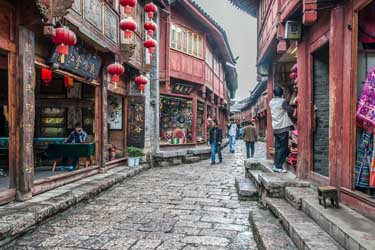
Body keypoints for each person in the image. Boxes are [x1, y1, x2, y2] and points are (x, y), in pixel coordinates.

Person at [269, 86, 294, 173]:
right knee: (283, 148)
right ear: (282, 93)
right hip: (283, 128)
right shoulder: (283, 102)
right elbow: (291, 110)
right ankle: (278, 166)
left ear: (274, 94)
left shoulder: (271, 102)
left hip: (275, 128)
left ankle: (276, 165)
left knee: (278, 147)